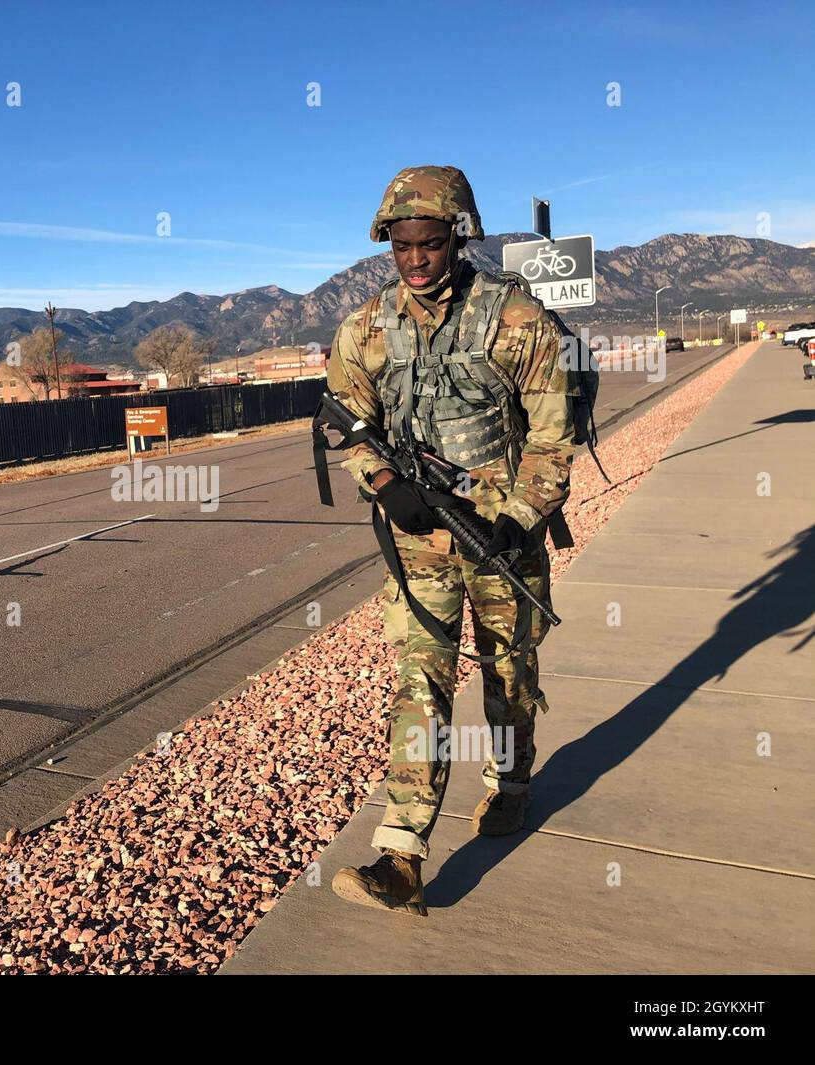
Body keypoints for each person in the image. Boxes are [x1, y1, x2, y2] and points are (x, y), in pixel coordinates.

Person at [325, 165, 576, 916]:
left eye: (429, 243)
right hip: (422, 542)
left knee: (507, 672)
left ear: (458, 236)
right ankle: (402, 853)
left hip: (504, 534)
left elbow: (552, 439)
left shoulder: (517, 319)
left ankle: (510, 780)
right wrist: (384, 483)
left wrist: (519, 515)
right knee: (419, 681)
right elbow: (345, 417)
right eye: (400, 245)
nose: (414, 259)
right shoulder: (366, 327)